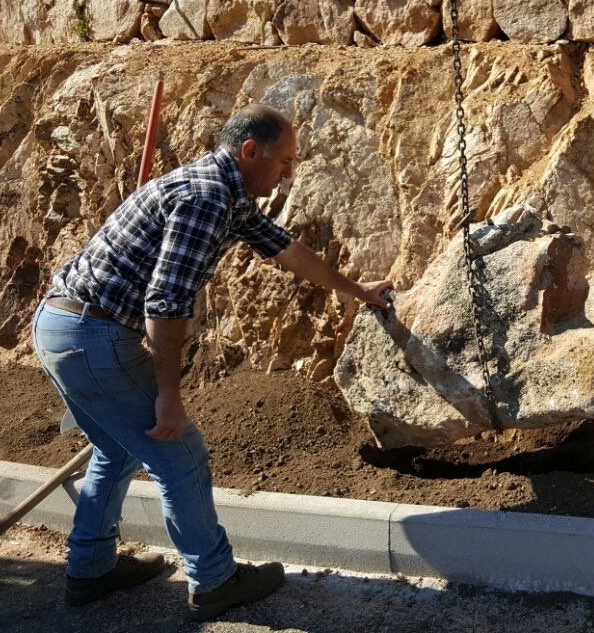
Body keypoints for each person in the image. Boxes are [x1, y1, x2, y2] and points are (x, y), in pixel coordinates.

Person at [31, 103, 392, 621]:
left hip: (63, 326)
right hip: (93, 335)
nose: (290, 172)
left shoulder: (230, 194)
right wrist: (169, 398)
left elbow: (286, 250)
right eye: (285, 161)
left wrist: (354, 290)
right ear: (250, 151)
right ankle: (215, 580)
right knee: (180, 456)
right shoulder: (207, 198)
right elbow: (165, 302)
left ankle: (90, 571)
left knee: (114, 450)